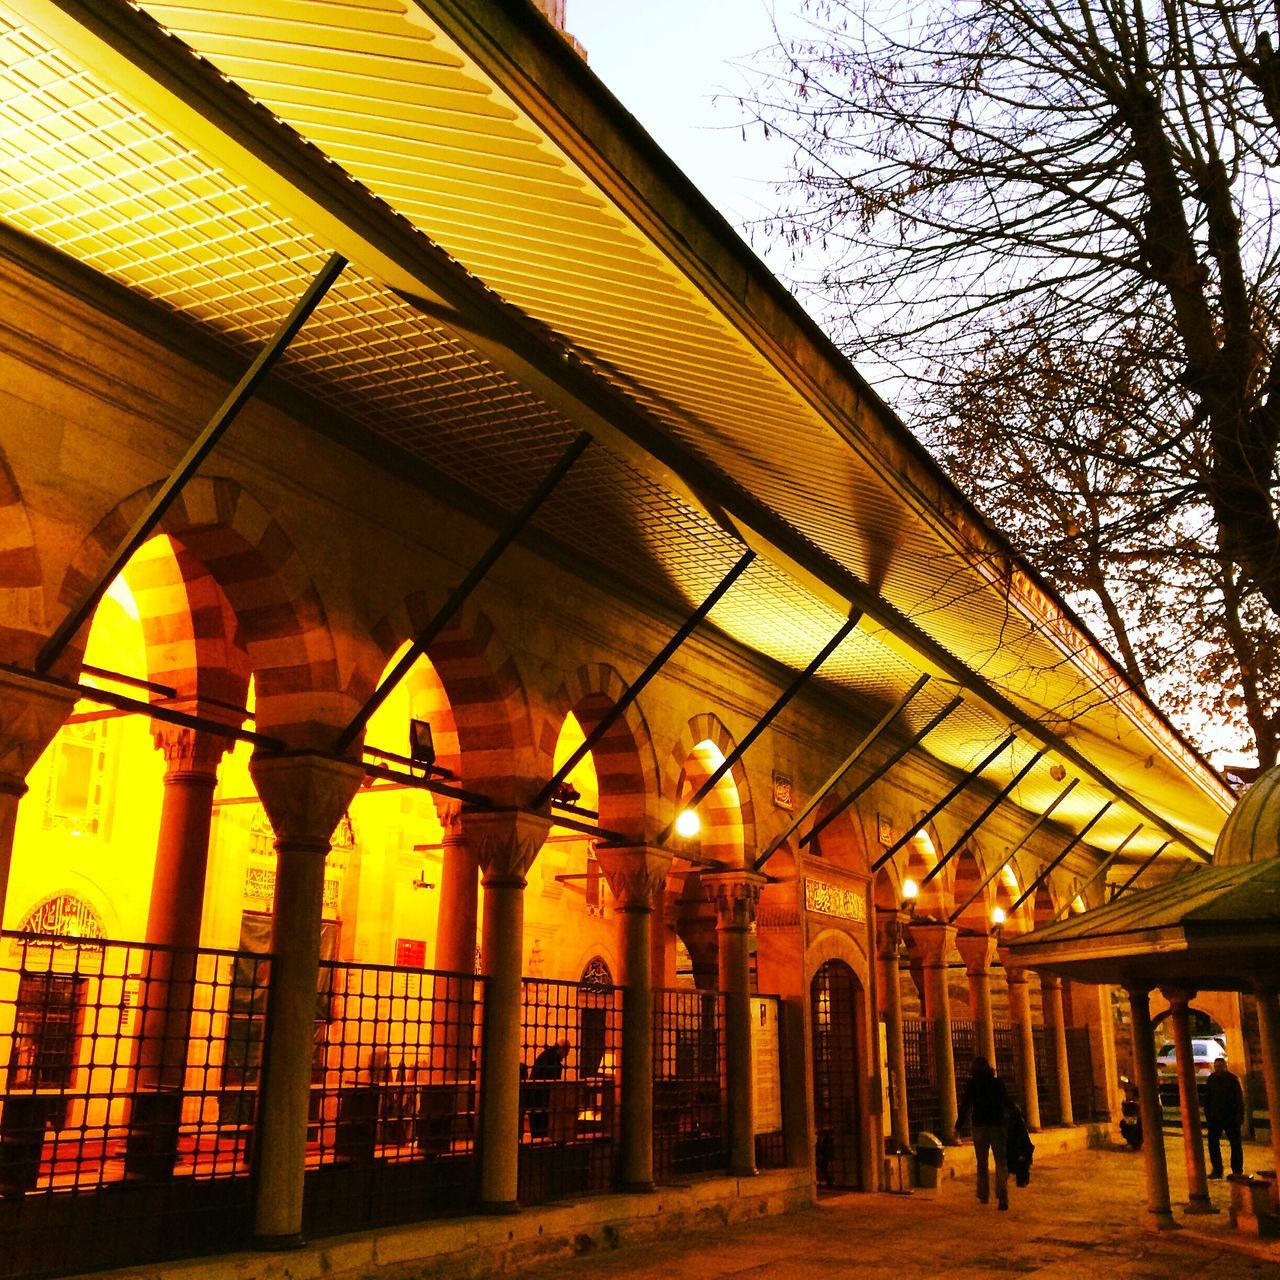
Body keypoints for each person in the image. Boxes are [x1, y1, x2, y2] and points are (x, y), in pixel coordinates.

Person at [957, 1056, 1011, 1210]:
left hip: (979, 1126)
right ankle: (1002, 1197)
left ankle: (983, 1195)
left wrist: (958, 1126)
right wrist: (1016, 1110)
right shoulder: (997, 1083)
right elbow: (1006, 1101)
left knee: (982, 1163)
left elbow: (965, 1106)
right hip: (997, 1125)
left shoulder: (972, 1085)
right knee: (1001, 1163)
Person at [1204, 1056, 1245, 1178]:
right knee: (1213, 1143)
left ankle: (1237, 1170)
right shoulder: (1212, 1079)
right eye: (1216, 1067)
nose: (1217, 1069)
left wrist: (1239, 1116)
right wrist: (1208, 1114)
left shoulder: (1232, 1080)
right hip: (1216, 1117)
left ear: (1225, 1067)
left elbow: (1239, 1099)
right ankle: (1217, 1169)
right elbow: (1208, 1098)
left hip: (1230, 1117)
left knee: (1235, 1144)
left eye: (1220, 1067)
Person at [527, 1037, 571, 1140]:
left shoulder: (546, 1056)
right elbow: (553, 1085)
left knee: (537, 1133)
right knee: (544, 1132)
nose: (567, 1054)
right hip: (542, 1101)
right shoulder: (554, 1063)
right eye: (567, 1051)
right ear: (562, 1049)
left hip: (533, 1098)